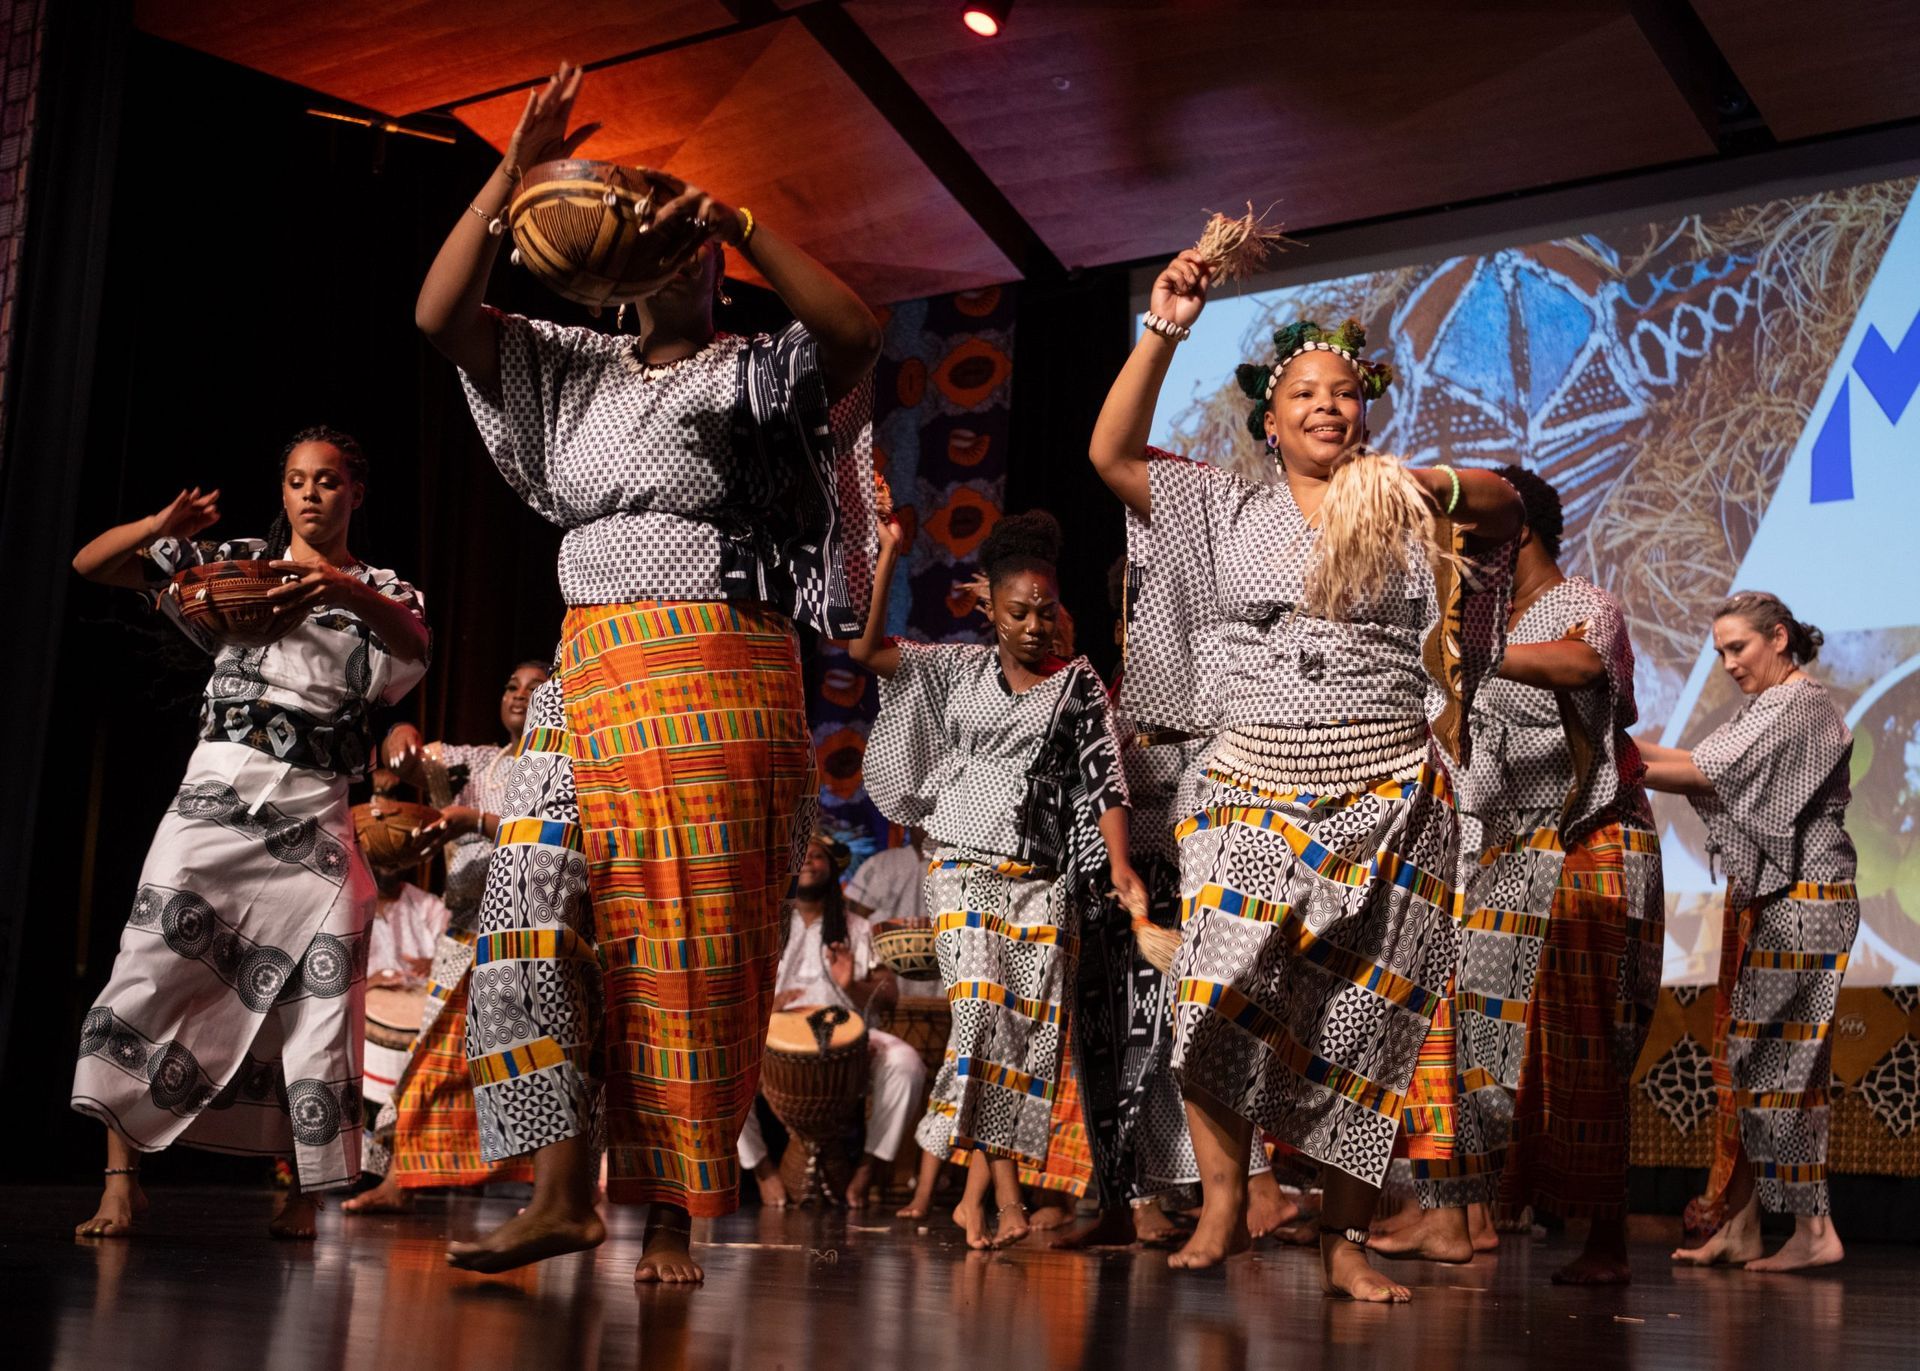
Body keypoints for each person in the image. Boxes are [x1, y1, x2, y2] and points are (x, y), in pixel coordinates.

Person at [415, 63, 880, 1282]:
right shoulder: (566, 363)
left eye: (692, 245)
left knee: (685, 948)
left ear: (707, 264)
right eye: (658, 237)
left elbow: (853, 333)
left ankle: (669, 1213)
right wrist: (513, 176)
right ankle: (562, 1190)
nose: (675, 256)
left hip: (719, 674)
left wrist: (733, 217)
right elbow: (436, 317)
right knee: (525, 911)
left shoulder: (752, 372)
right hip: (590, 674)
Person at [1088, 251, 1522, 1301]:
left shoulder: (1406, 506)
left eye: (1342, 394)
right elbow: (1109, 453)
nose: (1326, 407)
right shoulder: (1220, 510)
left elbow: (1506, 507)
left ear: (1364, 413)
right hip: (1247, 774)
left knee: (1359, 1021)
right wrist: (1168, 327)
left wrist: (1433, 483)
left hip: (1386, 787)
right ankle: (1229, 1202)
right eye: (1302, 396)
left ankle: (1345, 1243)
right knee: (1211, 990)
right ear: (1268, 421)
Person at [70, 427, 429, 1239]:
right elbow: (92, 563)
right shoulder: (236, 563)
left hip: (317, 813)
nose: (310, 493)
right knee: (149, 963)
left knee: (320, 1000)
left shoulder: (381, 588)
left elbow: (415, 647)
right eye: (297, 479)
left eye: (329, 481)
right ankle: (122, 1177)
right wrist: (162, 523)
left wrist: (340, 592)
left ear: (355, 494)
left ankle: (303, 1190)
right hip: (214, 799)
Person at [1373, 465, 1663, 1285]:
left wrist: (1479, 653)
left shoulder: (1584, 605)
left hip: (1587, 846)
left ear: (1515, 533)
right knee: (1475, 1037)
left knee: (1587, 1039)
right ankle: (1452, 1218)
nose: (1457, 550)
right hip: (1501, 857)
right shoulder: (1471, 622)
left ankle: (1605, 1238)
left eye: (1469, 536)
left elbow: (1581, 667)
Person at [850, 510, 1145, 1250]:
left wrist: (1118, 865)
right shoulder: (955, 669)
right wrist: (889, 553)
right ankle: (996, 1198)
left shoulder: (1077, 687)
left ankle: (983, 1199)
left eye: (1046, 611)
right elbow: (867, 647)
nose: (1036, 625)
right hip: (961, 863)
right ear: (991, 609)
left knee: (1024, 1040)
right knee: (981, 1013)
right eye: (1019, 611)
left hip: (1042, 879)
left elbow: (1104, 779)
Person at [1639, 591, 1858, 1273]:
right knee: (1774, 1068)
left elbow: (1702, 770)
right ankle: (1751, 1225)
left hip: (1806, 897)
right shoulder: (1776, 703)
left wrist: (1602, 746)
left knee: (1770, 1070)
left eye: (1739, 647)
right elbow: (1706, 770)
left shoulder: (1798, 703)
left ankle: (1812, 1229)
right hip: (1793, 897)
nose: (1729, 662)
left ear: (1780, 637)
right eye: (1721, 652)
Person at [343, 660, 551, 1214]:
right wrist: (399, 739)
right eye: (511, 685)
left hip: (532, 933)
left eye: (536, 688)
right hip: (465, 931)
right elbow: (409, 757)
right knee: (431, 1056)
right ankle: (398, 1177)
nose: (519, 695)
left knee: (528, 1062)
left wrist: (476, 823)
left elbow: (557, 837)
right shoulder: (476, 764)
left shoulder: (564, 767)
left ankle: (552, 1193)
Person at [739, 835, 925, 1209]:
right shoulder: (766, 926)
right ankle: (762, 1171)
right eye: (801, 855)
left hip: (849, 1037)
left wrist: (851, 984)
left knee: (906, 1063)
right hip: (775, 1038)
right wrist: (767, 1007)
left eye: (818, 855)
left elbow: (888, 995)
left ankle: (867, 1169)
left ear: (834, 867)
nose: (808, 861)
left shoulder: (858, 928)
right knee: (721, 1068)